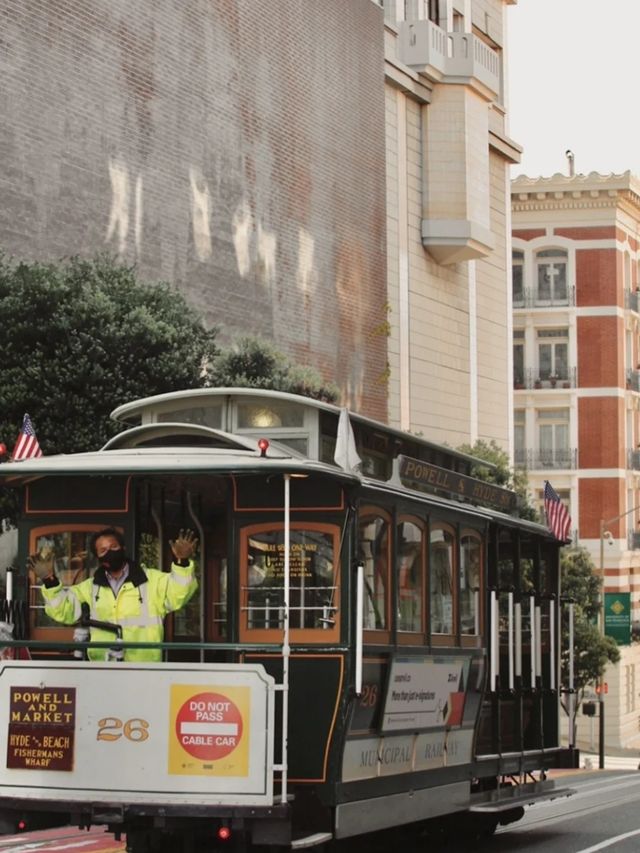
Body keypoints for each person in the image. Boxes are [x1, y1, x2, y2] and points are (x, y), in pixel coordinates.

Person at [29, 527, 198, 662]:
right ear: (98, 557)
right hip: (103, 668)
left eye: (113, 547)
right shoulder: (90, 587)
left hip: (144, 670)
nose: (109, 552)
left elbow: (179, 593)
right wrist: (49, 579)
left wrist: (181, 562)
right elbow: (63, 611)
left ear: (123, 548)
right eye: (103, 550)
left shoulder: (152, 580)